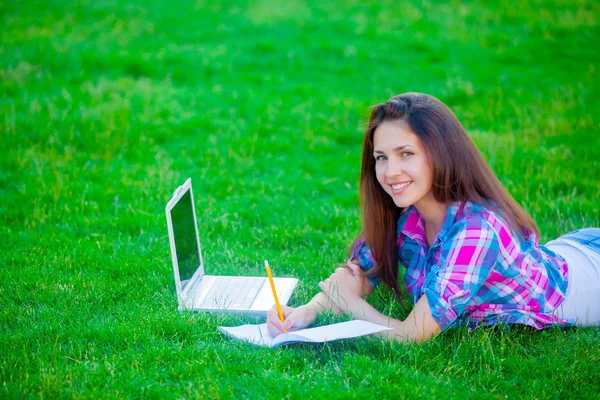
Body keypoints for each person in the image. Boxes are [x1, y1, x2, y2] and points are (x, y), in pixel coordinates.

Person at [267, 92, 600, 343]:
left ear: (440, 153)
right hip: (567, 251)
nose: (390, 171)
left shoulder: (478, 230)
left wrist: (350, 303)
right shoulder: (404, 214)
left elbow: (411, 336)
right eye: (381, 157)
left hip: (590, 278)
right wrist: (305, 313)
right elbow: (361, 273)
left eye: (406, 154)